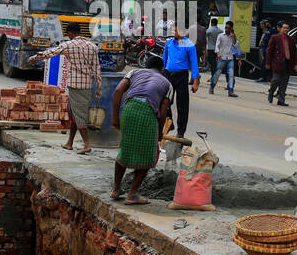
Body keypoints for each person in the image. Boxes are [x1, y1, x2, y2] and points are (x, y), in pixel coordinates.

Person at [110, 54, 173, 205]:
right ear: (162, 69)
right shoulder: (167, 84)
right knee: (149, 155)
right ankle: (131, 195)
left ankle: (116, 189)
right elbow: (163, 110)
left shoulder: (134, 72)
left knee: (124, 149)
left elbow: (118, 91)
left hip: (129, 108)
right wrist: (159, 133)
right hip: (147, 111)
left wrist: (115, 118)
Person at [31, 20, 102, 154]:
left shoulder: (68, 45)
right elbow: (96, 69)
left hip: (74, 85)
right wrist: (98, 87)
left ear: (70, 33)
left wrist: (35, 57)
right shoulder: (93, 47)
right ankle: (69, 142)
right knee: (73, 112)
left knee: (79, 114)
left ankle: (87, 144)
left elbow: (50, 53)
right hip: (87, 85)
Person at [162, 20, 201, 137]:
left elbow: (194, 64)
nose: (174, 32)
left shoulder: (190, 45)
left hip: (181, 76)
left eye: (176, 30)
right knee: (165, 101)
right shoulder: (169, 43)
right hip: (168, 75)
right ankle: (170, 123)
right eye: (173, 30)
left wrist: (195, 82)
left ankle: (180, 131)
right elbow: (164, 60)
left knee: (182, 105)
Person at [265, 21, 297, 107]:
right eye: (284, 28)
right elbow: (269, 51)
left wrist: (296, 64)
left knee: (284, 83)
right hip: (277, 63)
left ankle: (281, 100)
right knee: (276, 80)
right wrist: (268, 63)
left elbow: (295, 53)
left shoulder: (291, 40)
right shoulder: (275, 37)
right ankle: (271, 92)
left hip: (288, 63)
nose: (286, 29)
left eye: (287, 28)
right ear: (280, 29)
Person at [211, 20, 240, 96]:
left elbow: (236, 47)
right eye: (226, 27)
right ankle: (211, 87)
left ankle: (230, 91)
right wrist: (218, 53)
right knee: (217, 74)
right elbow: (217, 46)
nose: (226, 29)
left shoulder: (232, 37)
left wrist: (234, 36)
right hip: (222, 58)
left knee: (231, 74)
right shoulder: (220, 36)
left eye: (228, 28)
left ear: (231, 29)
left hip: (230, 58)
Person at [204, 17, 220, 84]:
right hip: (218, 48)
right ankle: (213, 76)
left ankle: (213, 77)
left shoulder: (209, 30)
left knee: (212, 63)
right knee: (214, 63)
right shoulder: (220, 31)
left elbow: (205, 35)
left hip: (210, 48)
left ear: (211, 23)